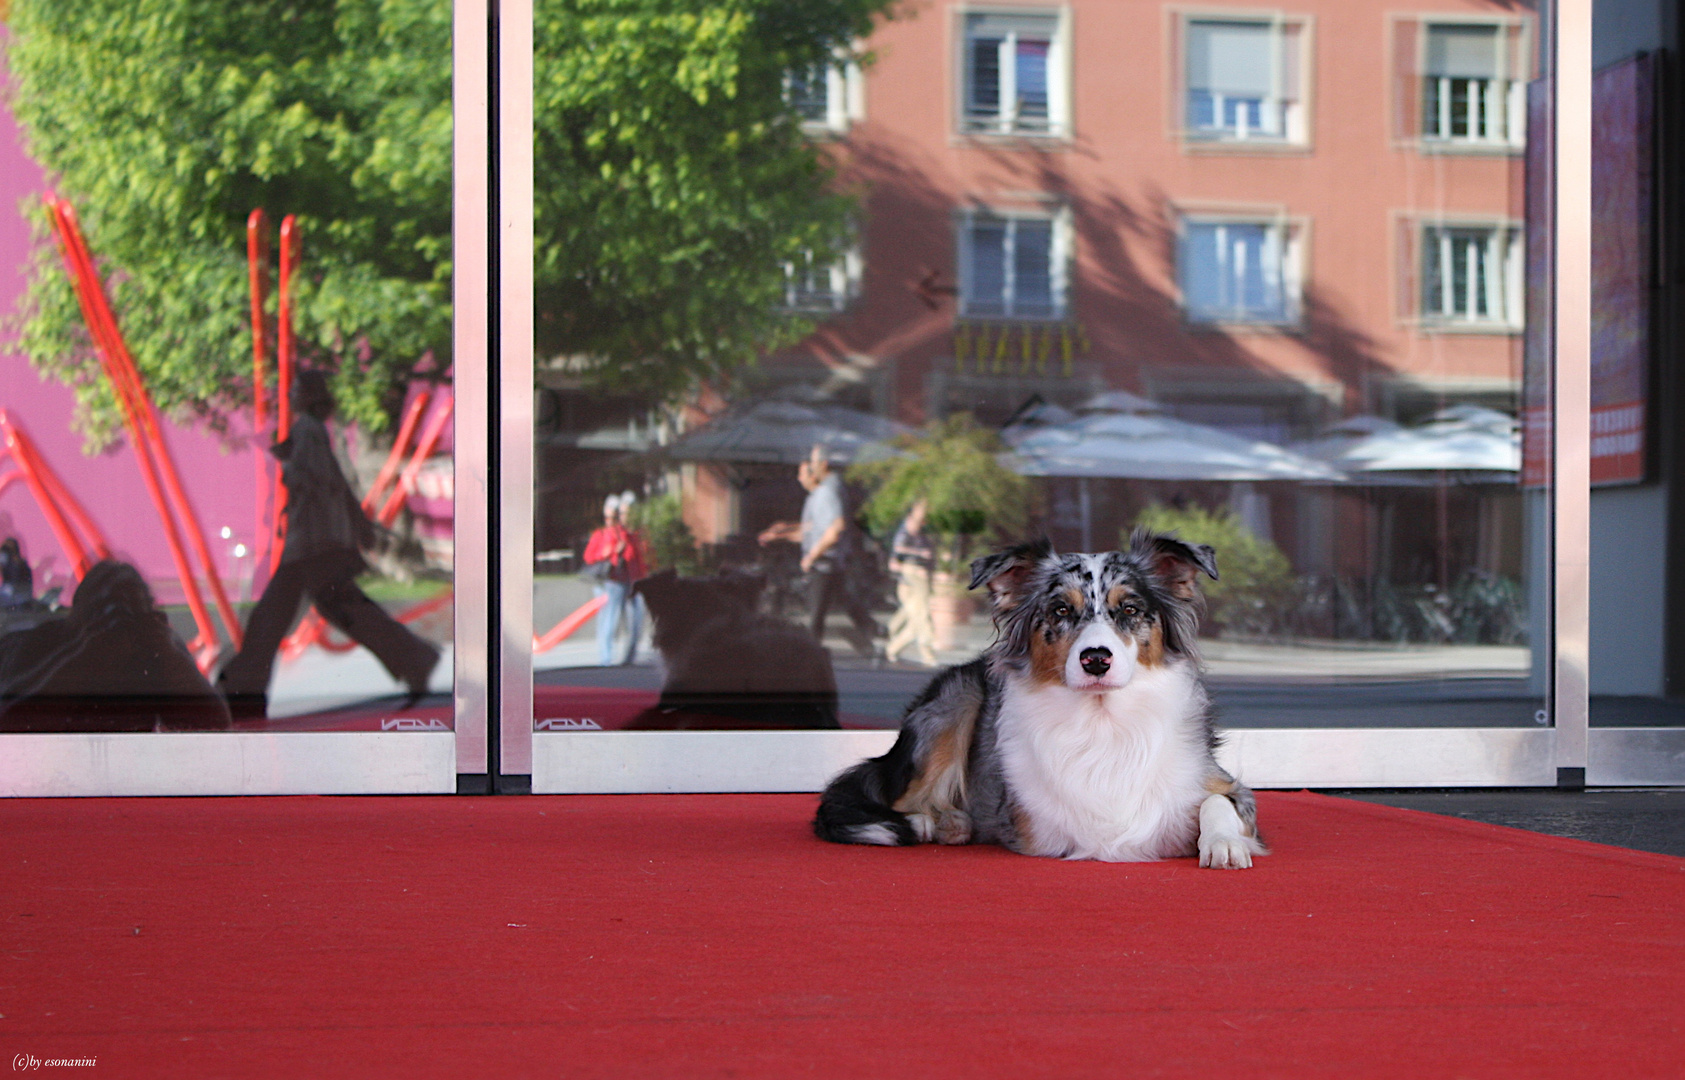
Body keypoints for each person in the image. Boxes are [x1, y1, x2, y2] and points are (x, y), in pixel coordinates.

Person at [216, 370, 440, 719]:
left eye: (293, 392)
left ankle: (243, 692)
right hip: (319, 545)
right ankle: (414, 659)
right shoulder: (313, 433)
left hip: (310, 546)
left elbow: (318, 482)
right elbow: (334, 482)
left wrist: (289, 462)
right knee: (343, 609)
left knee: (269, 620)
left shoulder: (306, 431)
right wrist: (358, 525)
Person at [759, 445, 878, 657]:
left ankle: (816, 657)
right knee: (840, 607)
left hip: (824, 563)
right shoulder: (822, 493)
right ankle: (868, 640)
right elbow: (813, 530)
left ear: (821, 466)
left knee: (817, 616)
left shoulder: (826, 492)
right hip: (828, 563)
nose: (802, 477)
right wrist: (783, 531)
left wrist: (811, 556)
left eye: (809, 468)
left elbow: (835, 528)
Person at [582, 491, 646, 666]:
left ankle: (629, 658)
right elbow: (589, 557)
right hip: (611, 581)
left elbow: (638, 560)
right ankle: (606, 659)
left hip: (631, 582)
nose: (610, 521)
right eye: (607, 517)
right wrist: (610, 551)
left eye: (614, 517)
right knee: (609, 620)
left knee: (635, 623)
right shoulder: (601, 535)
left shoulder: (631, 535)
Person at [883, 497, 938, 666]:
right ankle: (927, 650)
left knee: (915, 618)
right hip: (910, 581)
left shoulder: (922, 532)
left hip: (919, 580)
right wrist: (917, 559)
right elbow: (895, 560)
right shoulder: (903, 533)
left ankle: (892, 644)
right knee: (920, 616)